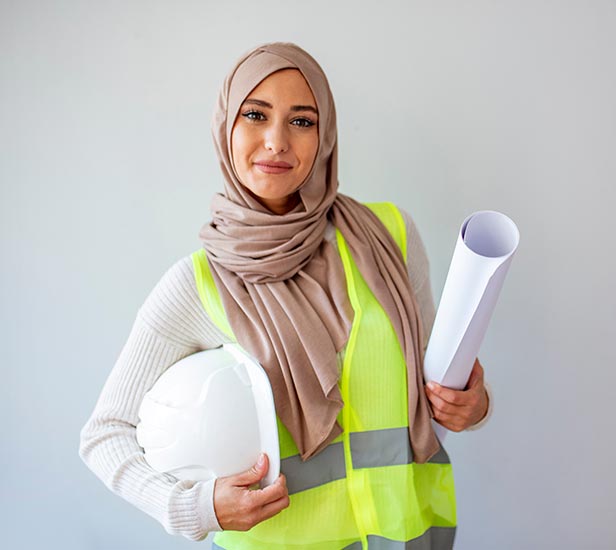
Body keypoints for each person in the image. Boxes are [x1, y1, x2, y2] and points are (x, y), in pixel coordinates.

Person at [79, 42, 492, 549]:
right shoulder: (198, 283)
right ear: (226, 126)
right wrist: (194, 506)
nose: (276, 141)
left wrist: (473, 405)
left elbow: (436, 386)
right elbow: (105, 434)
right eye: (256, 115)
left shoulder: (389, 236)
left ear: (326, 137)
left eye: (301, 121)